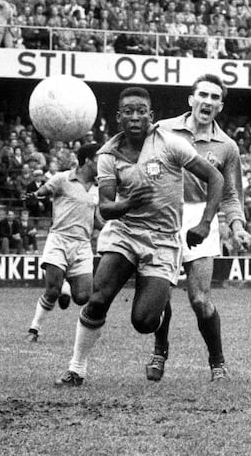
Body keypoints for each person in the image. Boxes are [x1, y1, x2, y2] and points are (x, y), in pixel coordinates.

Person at [55, 86, 224, 387]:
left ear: (151, 115)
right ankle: (76, 368)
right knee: (98, 298)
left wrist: (206, 222)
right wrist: (128, 204)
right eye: (129, 111)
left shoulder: (171, 144)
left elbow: (215, 176)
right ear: (119, 117)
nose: (135, 116)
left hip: (162, 239)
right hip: (125, 232)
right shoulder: (107, 155)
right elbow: (106, 209)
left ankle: (159, 314)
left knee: (144, 322)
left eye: (141, 110)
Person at [145, 74, 251, 383]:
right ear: (191, 99)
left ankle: (217, 362)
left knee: (200, 299)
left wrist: (237, 226)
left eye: (214, 97)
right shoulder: (163, 129)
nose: (207, 100)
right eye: (202, 94)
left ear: (220, 105)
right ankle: (159, 350)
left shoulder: (227, 146)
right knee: (160, 292)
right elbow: (146, 165)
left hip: (202, 217)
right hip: (164, 215)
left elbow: (231, 195)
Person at [26, 143, 102, 342]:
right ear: (87, 161)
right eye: (99, 159)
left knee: (83, 297)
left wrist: (116, 225)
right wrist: (36, 194)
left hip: (83, 244)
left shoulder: (97, 188)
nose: (103, 163)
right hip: (59, 239)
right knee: (52, 290)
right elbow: (43, 190)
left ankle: (67, 284)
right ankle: (34, 329)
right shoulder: (62, 179)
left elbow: (96, 219)